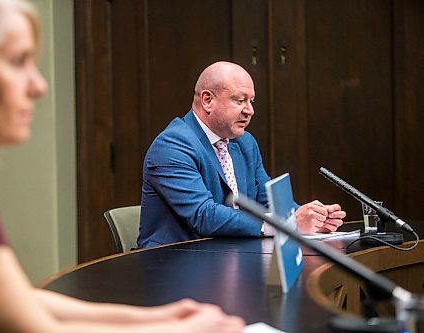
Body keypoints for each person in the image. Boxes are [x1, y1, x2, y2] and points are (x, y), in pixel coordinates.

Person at [0, 1, 245, 332]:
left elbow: (20, 298)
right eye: (18, 62)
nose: (39, 86)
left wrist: (157, 316)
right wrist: (185, 329)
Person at [138, 61, 346, 248]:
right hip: (175, 267)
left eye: (251, 101)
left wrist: (310, 219)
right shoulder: (173, 145)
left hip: (230, 257)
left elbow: (267, 200)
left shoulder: (245, 143)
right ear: (207, 100)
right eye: (240, 100)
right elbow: (204, 215)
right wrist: (287, 224)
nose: (250, 111)